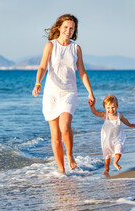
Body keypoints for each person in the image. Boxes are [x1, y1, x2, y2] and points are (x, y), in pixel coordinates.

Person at [32, 14, 95, 174]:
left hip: (69, 92)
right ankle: (61, 171)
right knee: (55, 135)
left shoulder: (76, 48)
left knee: (65, 126)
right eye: (66, 27)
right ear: (59, 27)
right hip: (51, 94)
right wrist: (38, 82)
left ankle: (70, 154)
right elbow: (42, 67)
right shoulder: (50, 45)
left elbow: (81, 71)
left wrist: (90, 92)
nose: (68, 30)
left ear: (74, 31)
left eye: (71, 28)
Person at [89, 94, 135, 175]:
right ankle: (106, 169)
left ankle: (115, 163)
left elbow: (125, 120)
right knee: (106, 156)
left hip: (117, 138)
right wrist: (92, 106)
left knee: (119, 149)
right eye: (108, 108)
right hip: (107, 139)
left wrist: (130, 125)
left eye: (113, 107)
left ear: (117, 106)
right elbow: (95, 112)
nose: (111, 109)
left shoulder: (119, 115)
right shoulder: (105, 115)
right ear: (105, 108)